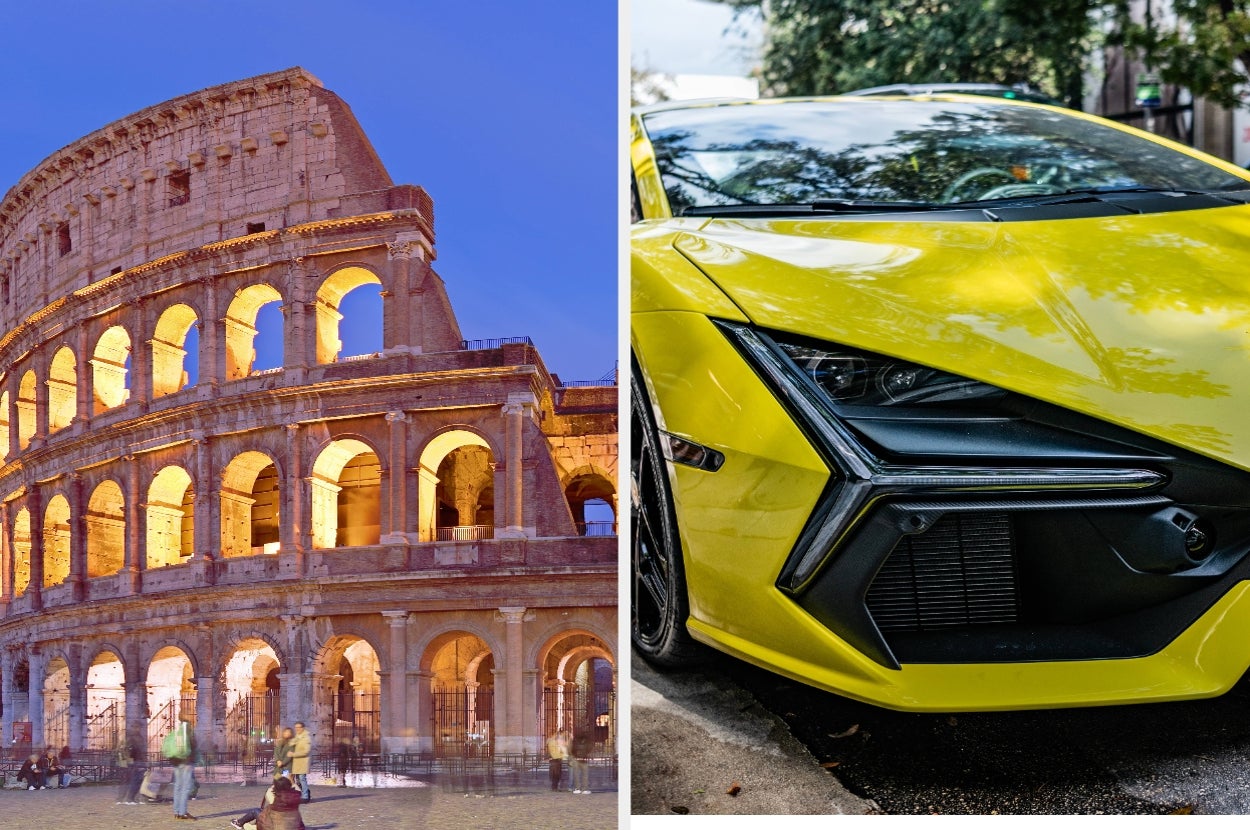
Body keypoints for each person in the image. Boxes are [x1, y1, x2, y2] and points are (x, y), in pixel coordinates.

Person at [230, 774, 305, 830]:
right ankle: (243, 823)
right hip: (296, 827)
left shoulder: (277, 800)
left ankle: (240, 823)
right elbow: (298, 791)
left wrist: (250, 827)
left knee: (255, 811)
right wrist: (291, 781)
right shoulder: (295, 797)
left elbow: (265, 819)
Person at [165, 714, 198, 820]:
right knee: (185, 788)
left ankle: (176, 812)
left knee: (177, 787)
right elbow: (193, 748)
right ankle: (183, 812)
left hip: (176, 762)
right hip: (186, 763)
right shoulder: (188, 732)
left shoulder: (176, 733)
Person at [115, 733, 144, 805]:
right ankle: (127, 799)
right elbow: (125, 758)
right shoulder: (126, 747)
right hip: (127, 767)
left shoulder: (127, 747)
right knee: (128, 783)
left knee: (129, 783)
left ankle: (125, 799)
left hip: (128, 766)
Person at [289, 721, 312, 803]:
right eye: (296, 727)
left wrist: (294, 754)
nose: (297, 729)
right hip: (296, 762)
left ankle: (305, 796)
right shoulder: (297, 737)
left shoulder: (306, 738)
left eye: (299, 727)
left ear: (303, 728)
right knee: (298, 779)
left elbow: (306, 751)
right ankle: (301, 794)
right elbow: (291, 744)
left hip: (302, 762)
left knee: (302, 779)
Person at [570, 730, 593, 794]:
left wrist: (574, 755)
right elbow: (590, 748)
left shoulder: (574, 740)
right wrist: (586, 754)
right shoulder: (587, 740)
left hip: (576, 758)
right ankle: (585, 789)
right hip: (584, 759)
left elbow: (571, 749)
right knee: (585, 774)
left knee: (576, 774)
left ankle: (577, 788)